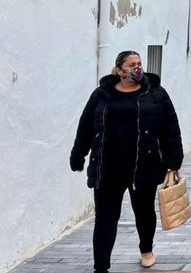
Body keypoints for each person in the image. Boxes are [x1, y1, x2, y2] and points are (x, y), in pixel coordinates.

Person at [70, 51, 183, 273]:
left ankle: (146, 249)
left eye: (139, 63)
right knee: (105, 219)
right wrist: (78, 154)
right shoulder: (101, 95)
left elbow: (170, 127)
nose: (138, 68)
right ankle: (100, 267)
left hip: (144, 165)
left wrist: (173, 159)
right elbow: (86, 125)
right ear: (120, 70)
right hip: (107, 166)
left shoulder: (156, 94)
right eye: (132, 65)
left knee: (144, 212)